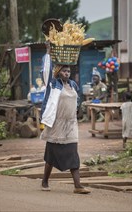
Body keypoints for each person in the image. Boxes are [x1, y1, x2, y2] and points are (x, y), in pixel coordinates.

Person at [40, 44, 90, 194]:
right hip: (56, 124)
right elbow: (46, 71)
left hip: (70, 125)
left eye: (68, 71)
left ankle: (77, 186)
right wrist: (48, 52)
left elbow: (77, 100)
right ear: (58, 72)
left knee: (73, 153)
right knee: (51, 156)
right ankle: (44, 181)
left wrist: (78, 109)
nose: (67, 73)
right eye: (64, 70)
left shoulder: (73, 85)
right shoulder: (53, 84)